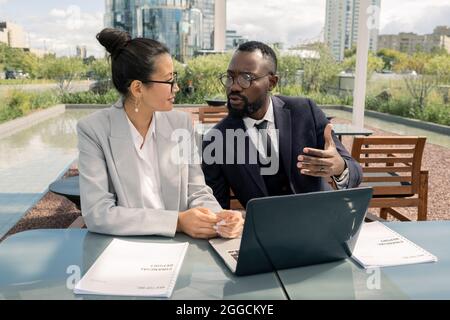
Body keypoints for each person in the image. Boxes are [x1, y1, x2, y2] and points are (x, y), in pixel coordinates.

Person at [77, 28, 243, 238]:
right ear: (137, 88)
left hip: (181, 249)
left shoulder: (180, 123)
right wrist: (177, 222)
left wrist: (220, 218)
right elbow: (98, 214)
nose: (177, 88)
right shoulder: (93, 130)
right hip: (125, 250)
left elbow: (197, 191)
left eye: (175, 77)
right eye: (168, 80)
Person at [202, 41, 363, 209]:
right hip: (266, 231)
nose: (234, 86)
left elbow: (355, 172)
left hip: (324, 220)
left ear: (272, 82)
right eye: (230, 77)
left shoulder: (305, 111)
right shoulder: (216, 141)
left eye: (246, 78)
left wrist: (339, 167)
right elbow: (217, 209)